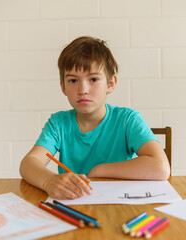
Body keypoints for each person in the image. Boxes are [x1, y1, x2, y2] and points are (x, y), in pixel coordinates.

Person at [20, 36, 170, 200]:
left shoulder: (127, 119)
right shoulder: (58, 123)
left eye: (93, 79)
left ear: (110, 84)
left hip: (120, 205)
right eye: (72, 80)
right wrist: (49, 181)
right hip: (73, 204)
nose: (83, 89)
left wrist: (100, 170)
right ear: (63, 87)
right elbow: (28, 163)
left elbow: (161, 167)